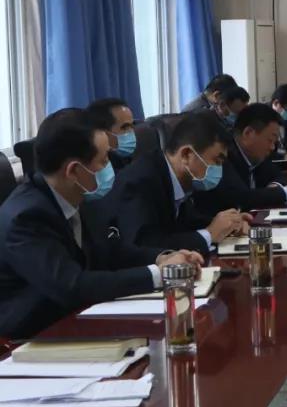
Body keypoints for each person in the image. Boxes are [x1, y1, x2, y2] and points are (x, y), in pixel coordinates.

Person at [0, 109, 202, 339]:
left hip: (78, 319)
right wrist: (159, 275)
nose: (111, 166)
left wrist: (162, 258)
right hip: (28, 338)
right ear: (74, 170)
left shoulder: (80, 197)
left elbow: (111, 252)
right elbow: (73, 286)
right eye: (104, 160)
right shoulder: (26, 218)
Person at [104, 111, 251, 256]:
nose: (219, 170)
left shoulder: (176, 178)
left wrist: (227, 224)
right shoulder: (140, 181)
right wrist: (209, 234)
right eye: (217, 161)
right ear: (186, 154)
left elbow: (187, 223)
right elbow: (144, 245)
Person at [194, 104, 287, 213]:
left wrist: (275, 187)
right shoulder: (223, 154)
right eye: (270, 140)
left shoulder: (255, 155)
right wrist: (286, 192)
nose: (272, 147)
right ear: (248, 133)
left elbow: (278, 175)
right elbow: (242, 197)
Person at [86, 97, 138, 170]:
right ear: (103, 134)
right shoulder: (99, 171)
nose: (132, 132)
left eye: (132, 126)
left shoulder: (134, 162)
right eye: (125, 127)